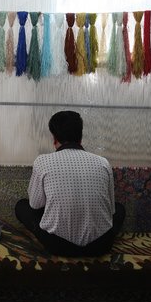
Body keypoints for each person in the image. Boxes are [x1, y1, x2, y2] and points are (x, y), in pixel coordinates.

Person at [15, 110, 125, 257]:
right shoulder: (103, 163)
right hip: (100, 245)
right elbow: (111, 209)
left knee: (22, 206)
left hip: (58, 246)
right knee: (120, 209)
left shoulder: (42, 162)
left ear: (54, 139)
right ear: (80, 138)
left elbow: (35, 205)